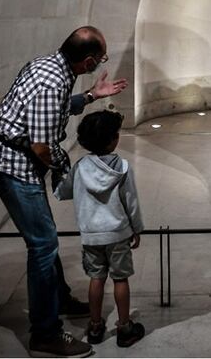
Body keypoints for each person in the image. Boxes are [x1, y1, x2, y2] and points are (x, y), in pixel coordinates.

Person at [0, 26, 128, 357]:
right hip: (15, 166)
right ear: (89, 60)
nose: (100, 63)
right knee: (43, 245)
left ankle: (59, 299)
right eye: (101, 58)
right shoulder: (53, 81)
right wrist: (68, 172)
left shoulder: (49, 65)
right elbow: (40, 146)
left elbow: (55, 108)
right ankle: (45, 332)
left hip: (21, 161)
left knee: (45, 239)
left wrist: (93, 96)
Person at [55, 110, 145, 348]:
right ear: (113, 139)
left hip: (91, 236)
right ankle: (125, 328)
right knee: (120, 279)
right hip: (118, 234)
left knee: (96, 279)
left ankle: (95, 326)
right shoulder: (123, 168)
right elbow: (131, 202)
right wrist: (137, 229)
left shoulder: (81, 167)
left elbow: (63, 191)